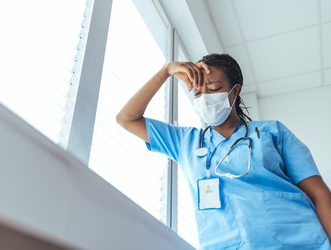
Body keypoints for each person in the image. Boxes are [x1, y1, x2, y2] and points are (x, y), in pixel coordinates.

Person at [116, 53, 331, 249]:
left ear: (234, 91)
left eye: (213, 88)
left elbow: (319, 194)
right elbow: (126, 118)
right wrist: (167, 70)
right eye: (198, 91)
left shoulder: (271, 132)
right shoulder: (185, 143)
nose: (205, 96)